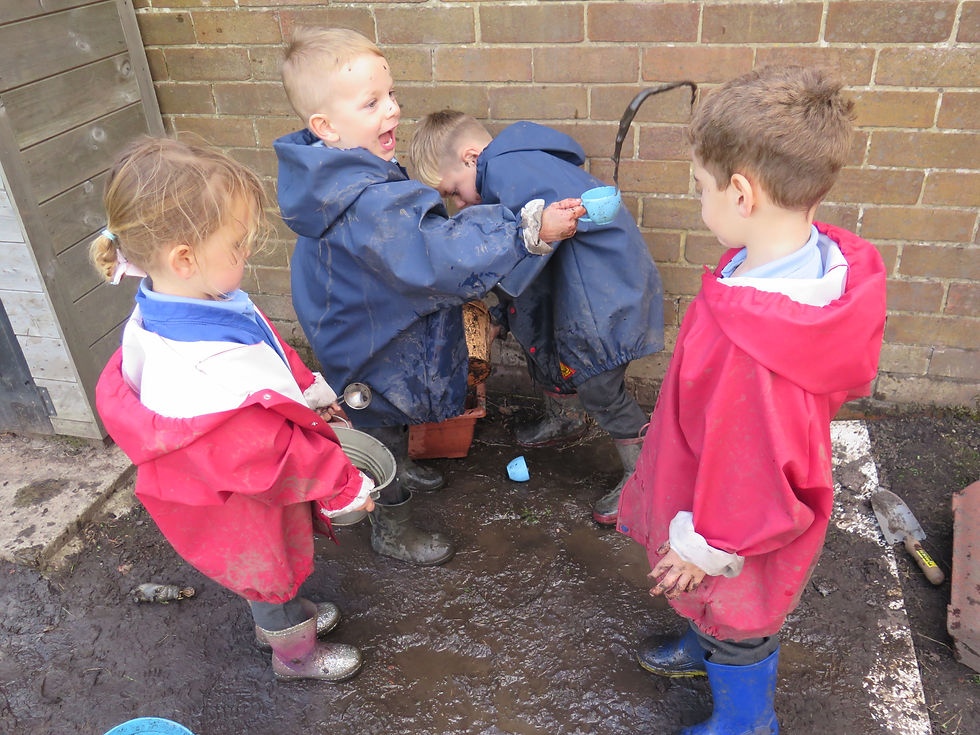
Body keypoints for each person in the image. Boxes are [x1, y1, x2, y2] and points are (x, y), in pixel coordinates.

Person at [616, 65, 887, 733]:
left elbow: (755, 475)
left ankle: (745, 720)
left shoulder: (756, 350)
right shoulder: (792, 262)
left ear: (741, 194)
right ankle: (703, 639)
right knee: (711, 601)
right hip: (711, 483)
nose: (698, 200)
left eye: (699, 187)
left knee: (737, 611)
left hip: (731, 521)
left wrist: (705, 546)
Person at [274, 27, 584, 566]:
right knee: (377, 428)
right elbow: (439, 253)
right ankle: (390, 524)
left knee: (388, 413)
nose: (392, 109)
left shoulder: (337, 169)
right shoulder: (362, 197)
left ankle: (399, 467)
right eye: (371, 102)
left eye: (391, 94)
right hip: (364, 339)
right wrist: (525, 230)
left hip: (358, 324)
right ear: (325, 126)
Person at [92, 137, 379, 683]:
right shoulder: (201, 369)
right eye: (237, 244)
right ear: (185, 258)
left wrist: (309, 392)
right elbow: (271, 451)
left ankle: (288, 618)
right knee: (268, 572)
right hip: (238, 500)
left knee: (274, 571)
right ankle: (294, 656)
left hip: (231, 483)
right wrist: (344, 486)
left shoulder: (190, 300)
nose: (247, 254)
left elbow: (267, 350)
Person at [409, 110, 664, 524]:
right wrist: (501, 314)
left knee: (599, 383)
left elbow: (523, 249)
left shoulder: (507, 171)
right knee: (542, 342)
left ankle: (646, 476)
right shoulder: (512, 168)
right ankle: (565, 418)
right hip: (579, 281)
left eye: (454, 191)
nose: (458, 204)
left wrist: (489, 298)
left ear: (471, 158)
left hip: (601, 290)